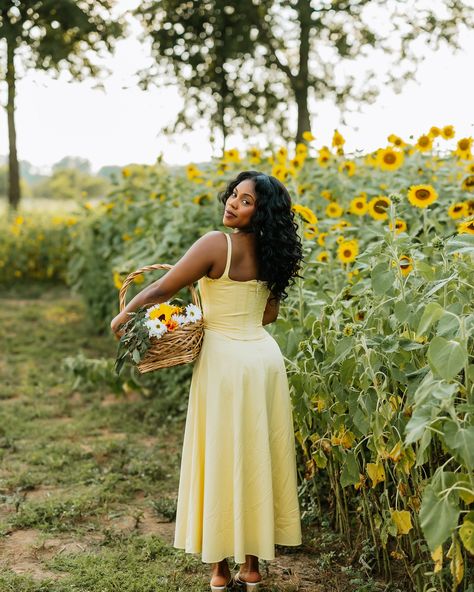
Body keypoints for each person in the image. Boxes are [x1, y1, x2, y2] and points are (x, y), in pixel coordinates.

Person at [110, 170, 304, 591]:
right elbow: (268, 315)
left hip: (224, 360)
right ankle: (251, 567)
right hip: (263, 358)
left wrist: (125, 314)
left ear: (261, 211)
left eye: (245, 200)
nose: (232, 203)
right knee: (256, 454)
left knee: (219, 455)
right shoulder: (276, 253)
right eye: (234, 195)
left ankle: (218, 571)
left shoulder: (217, 244)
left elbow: (164, 287)